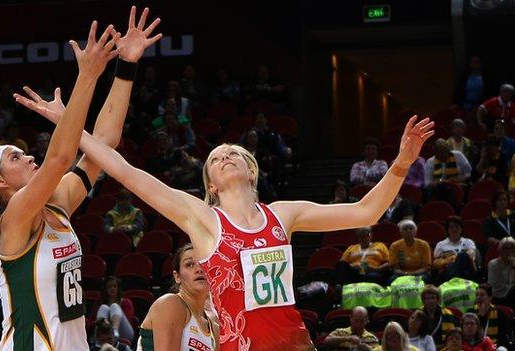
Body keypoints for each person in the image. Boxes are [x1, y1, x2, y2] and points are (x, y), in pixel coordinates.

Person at [32, 86, 434, 351]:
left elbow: (366, 211)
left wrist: (400, 164)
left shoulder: (282, 214)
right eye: (215, 159)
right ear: (210, 184)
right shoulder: (203, 220)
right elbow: (125, 172)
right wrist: (70, 125)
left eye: (232, 153)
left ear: (252, 170)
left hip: (296, 344)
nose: (224, 157)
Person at [0, 9, 161, 350]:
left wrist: (125, 66)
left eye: (24, 152)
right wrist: (87, 76)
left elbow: (104, 142)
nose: (28, 156)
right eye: (15, 156)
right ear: (1, 183)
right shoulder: (14, 219)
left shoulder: (56, 204)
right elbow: (59, 158)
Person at [138, 243, 218, 350]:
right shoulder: (170, 303)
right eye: (189, 264)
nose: (199, 269)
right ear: (177, 277)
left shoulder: (214, 327)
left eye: (203, 263)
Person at [433, 216, 478, 283]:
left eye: (457, 226)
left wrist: (451, 257)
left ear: (461, 229)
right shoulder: (441, 244)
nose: (454, 229)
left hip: (466, 273)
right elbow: (436, 264)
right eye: (451, 227)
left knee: (463, 256)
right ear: (447, 230)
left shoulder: (468, 242)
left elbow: (471, 257)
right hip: (447, 275)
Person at [467, 284, 513, 349]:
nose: (478, 297)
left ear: (490, 297)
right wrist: (480, 316)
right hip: (474, 345)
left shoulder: (499, 313)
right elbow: (469, 334)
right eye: (477, 295)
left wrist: (491, 346)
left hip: (495, 346)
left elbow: (503, 337)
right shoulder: (470, 312)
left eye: (482, 295)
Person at [96, 277, 135, 343]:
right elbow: (92, 321)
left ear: (118, 288)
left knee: (114, 306)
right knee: (104, 307)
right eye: (109, 287)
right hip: (105, 332)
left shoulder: (126, 302)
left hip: (124, 332)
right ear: (105, 289)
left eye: (114, 286)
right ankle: (101, 335)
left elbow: (128, 319)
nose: (112, 288)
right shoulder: (100, 303)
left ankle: (114, 331)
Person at [487, 237, 515, 306]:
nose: (509, 251)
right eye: (506, 248)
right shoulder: (493, 264)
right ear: (500, 250)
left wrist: (513, 266)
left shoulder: (514, 262)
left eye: (512, 248)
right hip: (498, 296)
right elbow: (494, 285)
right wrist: (511, 289)